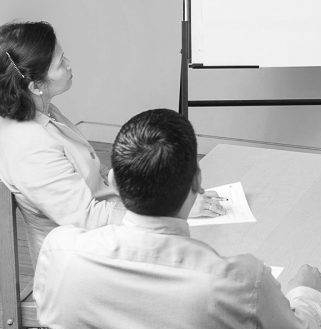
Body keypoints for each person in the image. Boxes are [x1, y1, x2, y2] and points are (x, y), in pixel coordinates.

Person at [34, 108, 321, 329]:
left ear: (113, 181)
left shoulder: (59, 251)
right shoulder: (243, 280)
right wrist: (307, 297)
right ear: (198, 182)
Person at [0, 20, 222, 265]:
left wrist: (157, 194)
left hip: (109, 230)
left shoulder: (42, 110)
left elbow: (92, 171)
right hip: (84, 261)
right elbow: (87, 217)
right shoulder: (29, 145)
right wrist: (169, 207)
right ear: (35, 86)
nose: (69, 65)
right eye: (61, 62)